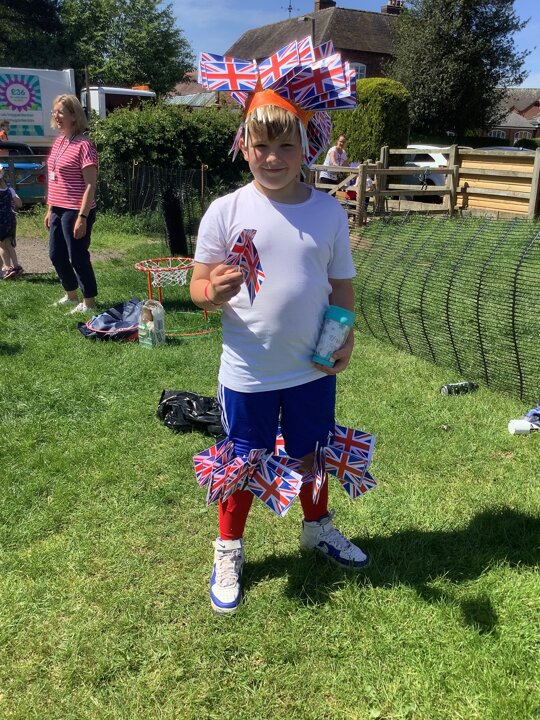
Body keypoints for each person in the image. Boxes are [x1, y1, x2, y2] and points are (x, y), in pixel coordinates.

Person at [190, 49, 368, 616]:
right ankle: (229, 548)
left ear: (307, 145)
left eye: (286, 145)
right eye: (261, 144)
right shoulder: (225, 210)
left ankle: (317, 529)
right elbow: (197, 286)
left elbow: (341, 287)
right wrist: (211, 291)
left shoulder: (328, 212)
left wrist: (344, 337)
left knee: (314, 453)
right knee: (244, 460)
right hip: (249, 371)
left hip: (311, 367)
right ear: (243, 144)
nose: (272, 157)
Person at [45, 94, 98, 314]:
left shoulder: (84, 145)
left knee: (77, 256)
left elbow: (90, 185)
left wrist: (82, 217)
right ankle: (71, 295)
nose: (56, 116)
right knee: (56, 254)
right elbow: (54, 178)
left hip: (76, 210)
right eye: (54, 112)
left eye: (61, 112)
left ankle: (89, 302)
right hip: (58, 208)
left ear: (74, 116)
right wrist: (50, 209)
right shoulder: (59, 142)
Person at [0, 166, 23, 279]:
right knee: (8, 244)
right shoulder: (9, 189)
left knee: (2, 245)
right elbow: (19, 204)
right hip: (10, 219)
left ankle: (7, 268)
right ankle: (16, 266)